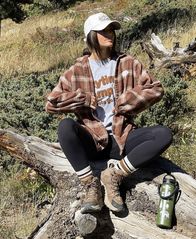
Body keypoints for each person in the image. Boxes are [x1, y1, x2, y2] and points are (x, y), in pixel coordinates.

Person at [45, 12, 173, 214]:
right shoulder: (78, 70)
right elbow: (51, 103)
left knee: (163, 134)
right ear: (91, 36)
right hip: (93, 140)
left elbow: (156, 89)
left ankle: (115, 175)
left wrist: (127, 100)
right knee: (65, 127)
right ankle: (90, 184)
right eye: (103, 31)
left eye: (111, 30)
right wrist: (82, 99)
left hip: (123, 138)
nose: (110, 34)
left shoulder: (128, 63)